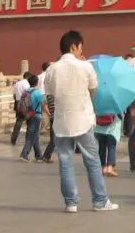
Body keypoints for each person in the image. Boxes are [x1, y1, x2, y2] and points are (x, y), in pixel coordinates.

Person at [43, 30, 119, 212]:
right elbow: (93, 91)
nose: (80, 51)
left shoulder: (51, 70)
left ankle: (71, 202)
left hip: (61, 121)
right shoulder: (85, 67)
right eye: (80, 48)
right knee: (92, 161)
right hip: (82, 120)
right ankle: (100, 201)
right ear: (74, 46)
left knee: (65, 161)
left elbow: (50, 96)